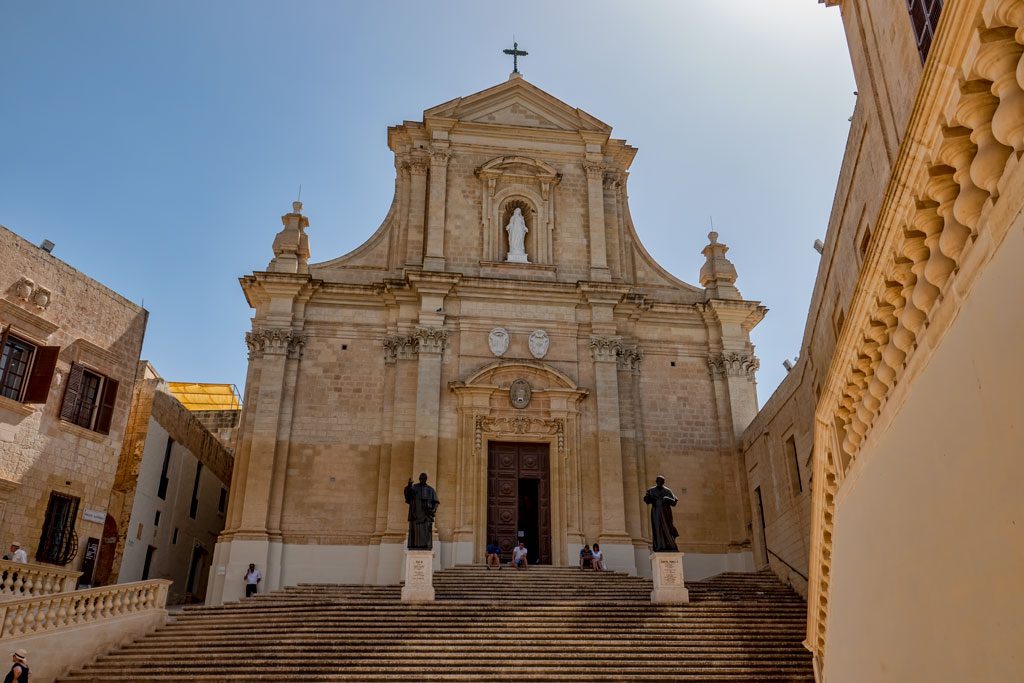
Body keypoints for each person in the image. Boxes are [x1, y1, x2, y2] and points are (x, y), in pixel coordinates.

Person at [644, 475, 680, 552]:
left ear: (664, 482)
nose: (660, 483)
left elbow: (674, 502)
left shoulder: (667, 491)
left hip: (666, 512)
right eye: (658, 481)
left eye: (661, 481)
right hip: (656, 512)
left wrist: (667, 499)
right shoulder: (651, 490)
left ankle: (671, 545)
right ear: (656, 482)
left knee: (668, 528)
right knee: (657, 528)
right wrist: (647, 498)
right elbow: (647, 500)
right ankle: (659, 546)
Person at [404, 473, 440, 550]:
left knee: (425, 531)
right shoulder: (414, 488)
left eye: (424, 478)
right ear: (419, 479)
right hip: (416, 514)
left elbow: (436, 502)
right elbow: (408, 496)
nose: (422, 480)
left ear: (426, 479)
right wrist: (409, 486)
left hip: (426, 515)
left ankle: (425, 546)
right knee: (415, 532)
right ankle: (415, 546)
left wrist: (432, 511)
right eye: (421, 478)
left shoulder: (430, 490)